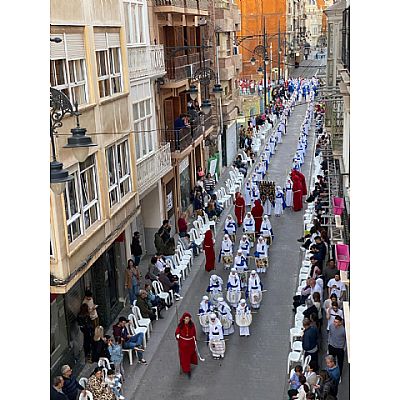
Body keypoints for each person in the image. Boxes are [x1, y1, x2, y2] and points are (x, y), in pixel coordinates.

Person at [175, 312, 198, 378]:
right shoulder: (180, 325)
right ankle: (187, 370)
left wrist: (195, 340)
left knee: (190, 356)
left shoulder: (192, 325)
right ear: (183, 319)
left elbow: (194, 332)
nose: (187, 320)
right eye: (186, 319)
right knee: (185, 358)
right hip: (183, 344)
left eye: (188, 319)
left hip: (190, 343)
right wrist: (177, 335)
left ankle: (188, 366)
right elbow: (177, 332)